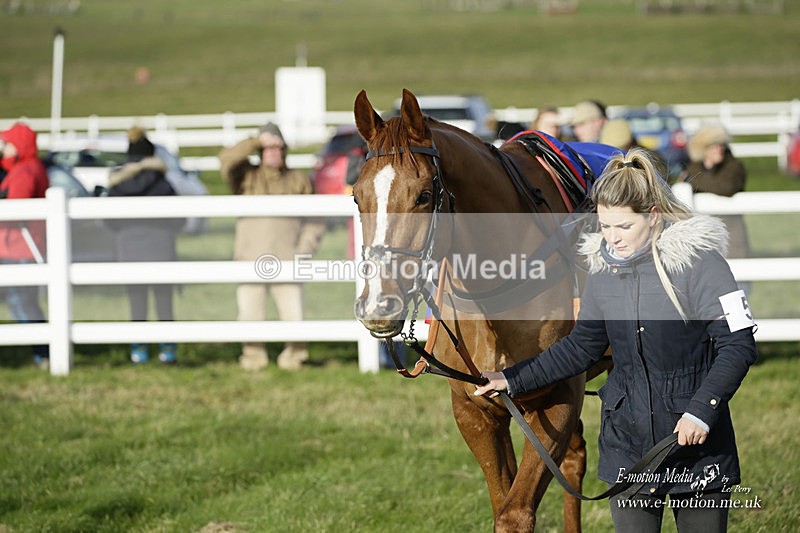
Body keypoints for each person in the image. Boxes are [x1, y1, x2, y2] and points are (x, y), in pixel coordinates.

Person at [475, 148, 757, 532]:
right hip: (627, 445)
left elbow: (738, 345)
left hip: (697, 448)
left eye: (623, 227)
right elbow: (581, 346)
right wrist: (513, 379)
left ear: (653, 217)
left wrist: (701, 411)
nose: (612, 238)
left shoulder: (701, 263)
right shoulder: (603, 270)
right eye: (605, 226)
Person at [219, 122, 324, 371]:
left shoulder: (299, 180)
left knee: (293, 315)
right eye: (268, 148)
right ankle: (254, 357)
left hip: (288, 259)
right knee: (250, 314)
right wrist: (257, 140)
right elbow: (226, 160)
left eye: (278, 148)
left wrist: (303, 250)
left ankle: (295, 358)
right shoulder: (246, 177)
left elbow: (315, 221)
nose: (273, 153)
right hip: (250, 259)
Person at [106, 127, 183, 364]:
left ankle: (138, 349)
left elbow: (109, 219)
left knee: (136, 302)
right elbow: (179, 218)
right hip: (161, 246)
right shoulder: (163, 183)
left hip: (129, 247)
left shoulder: (118, 186)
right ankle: (167, 349)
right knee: (164, 302)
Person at [0, 123, 50, 369]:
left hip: (20, 248)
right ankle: (41, 350)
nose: (4, 148)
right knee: (24, 302)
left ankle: (41, 352)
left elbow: (15, 208)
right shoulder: (22, 168)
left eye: (8, 143)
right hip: (19, 247)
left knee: (22, 302)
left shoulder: (25, 171)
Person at [680, 125, 750, 259]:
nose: (719, 149)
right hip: (702, 235)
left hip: (732, 232)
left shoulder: (734, 166)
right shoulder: (693, 168)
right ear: (703, 148)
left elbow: (726, 187)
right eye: (713, 145)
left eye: (721, 145)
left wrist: (691, 180)